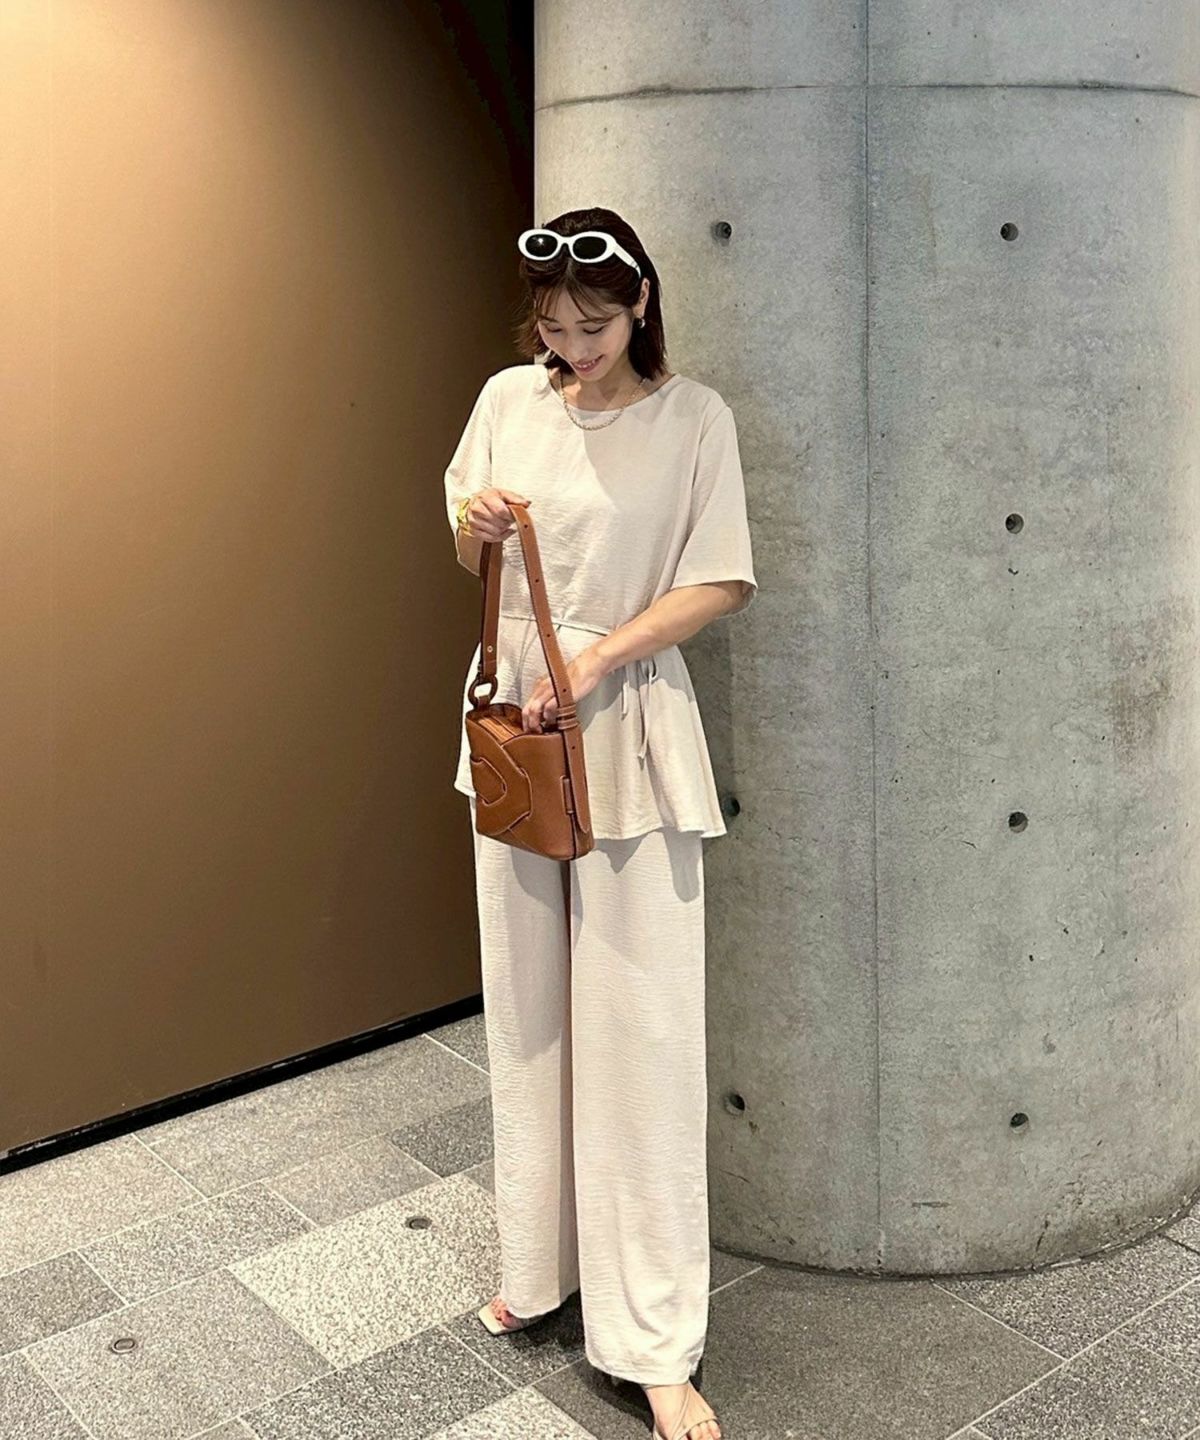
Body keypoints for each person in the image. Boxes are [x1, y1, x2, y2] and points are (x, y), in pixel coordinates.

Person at [443, 207, 756, 1440]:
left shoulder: (693, 420)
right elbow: (466, 534)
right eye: (553, 327)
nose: (571, 348)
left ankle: (654, 1341)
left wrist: (598, 656)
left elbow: (719, 576)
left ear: (642, 308)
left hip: (625, 726)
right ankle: (540, 1267)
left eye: (595, 325)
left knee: (642, 1030)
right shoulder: (508, 399)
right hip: (517, 737)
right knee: (525, 1011)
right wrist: (471, 527)